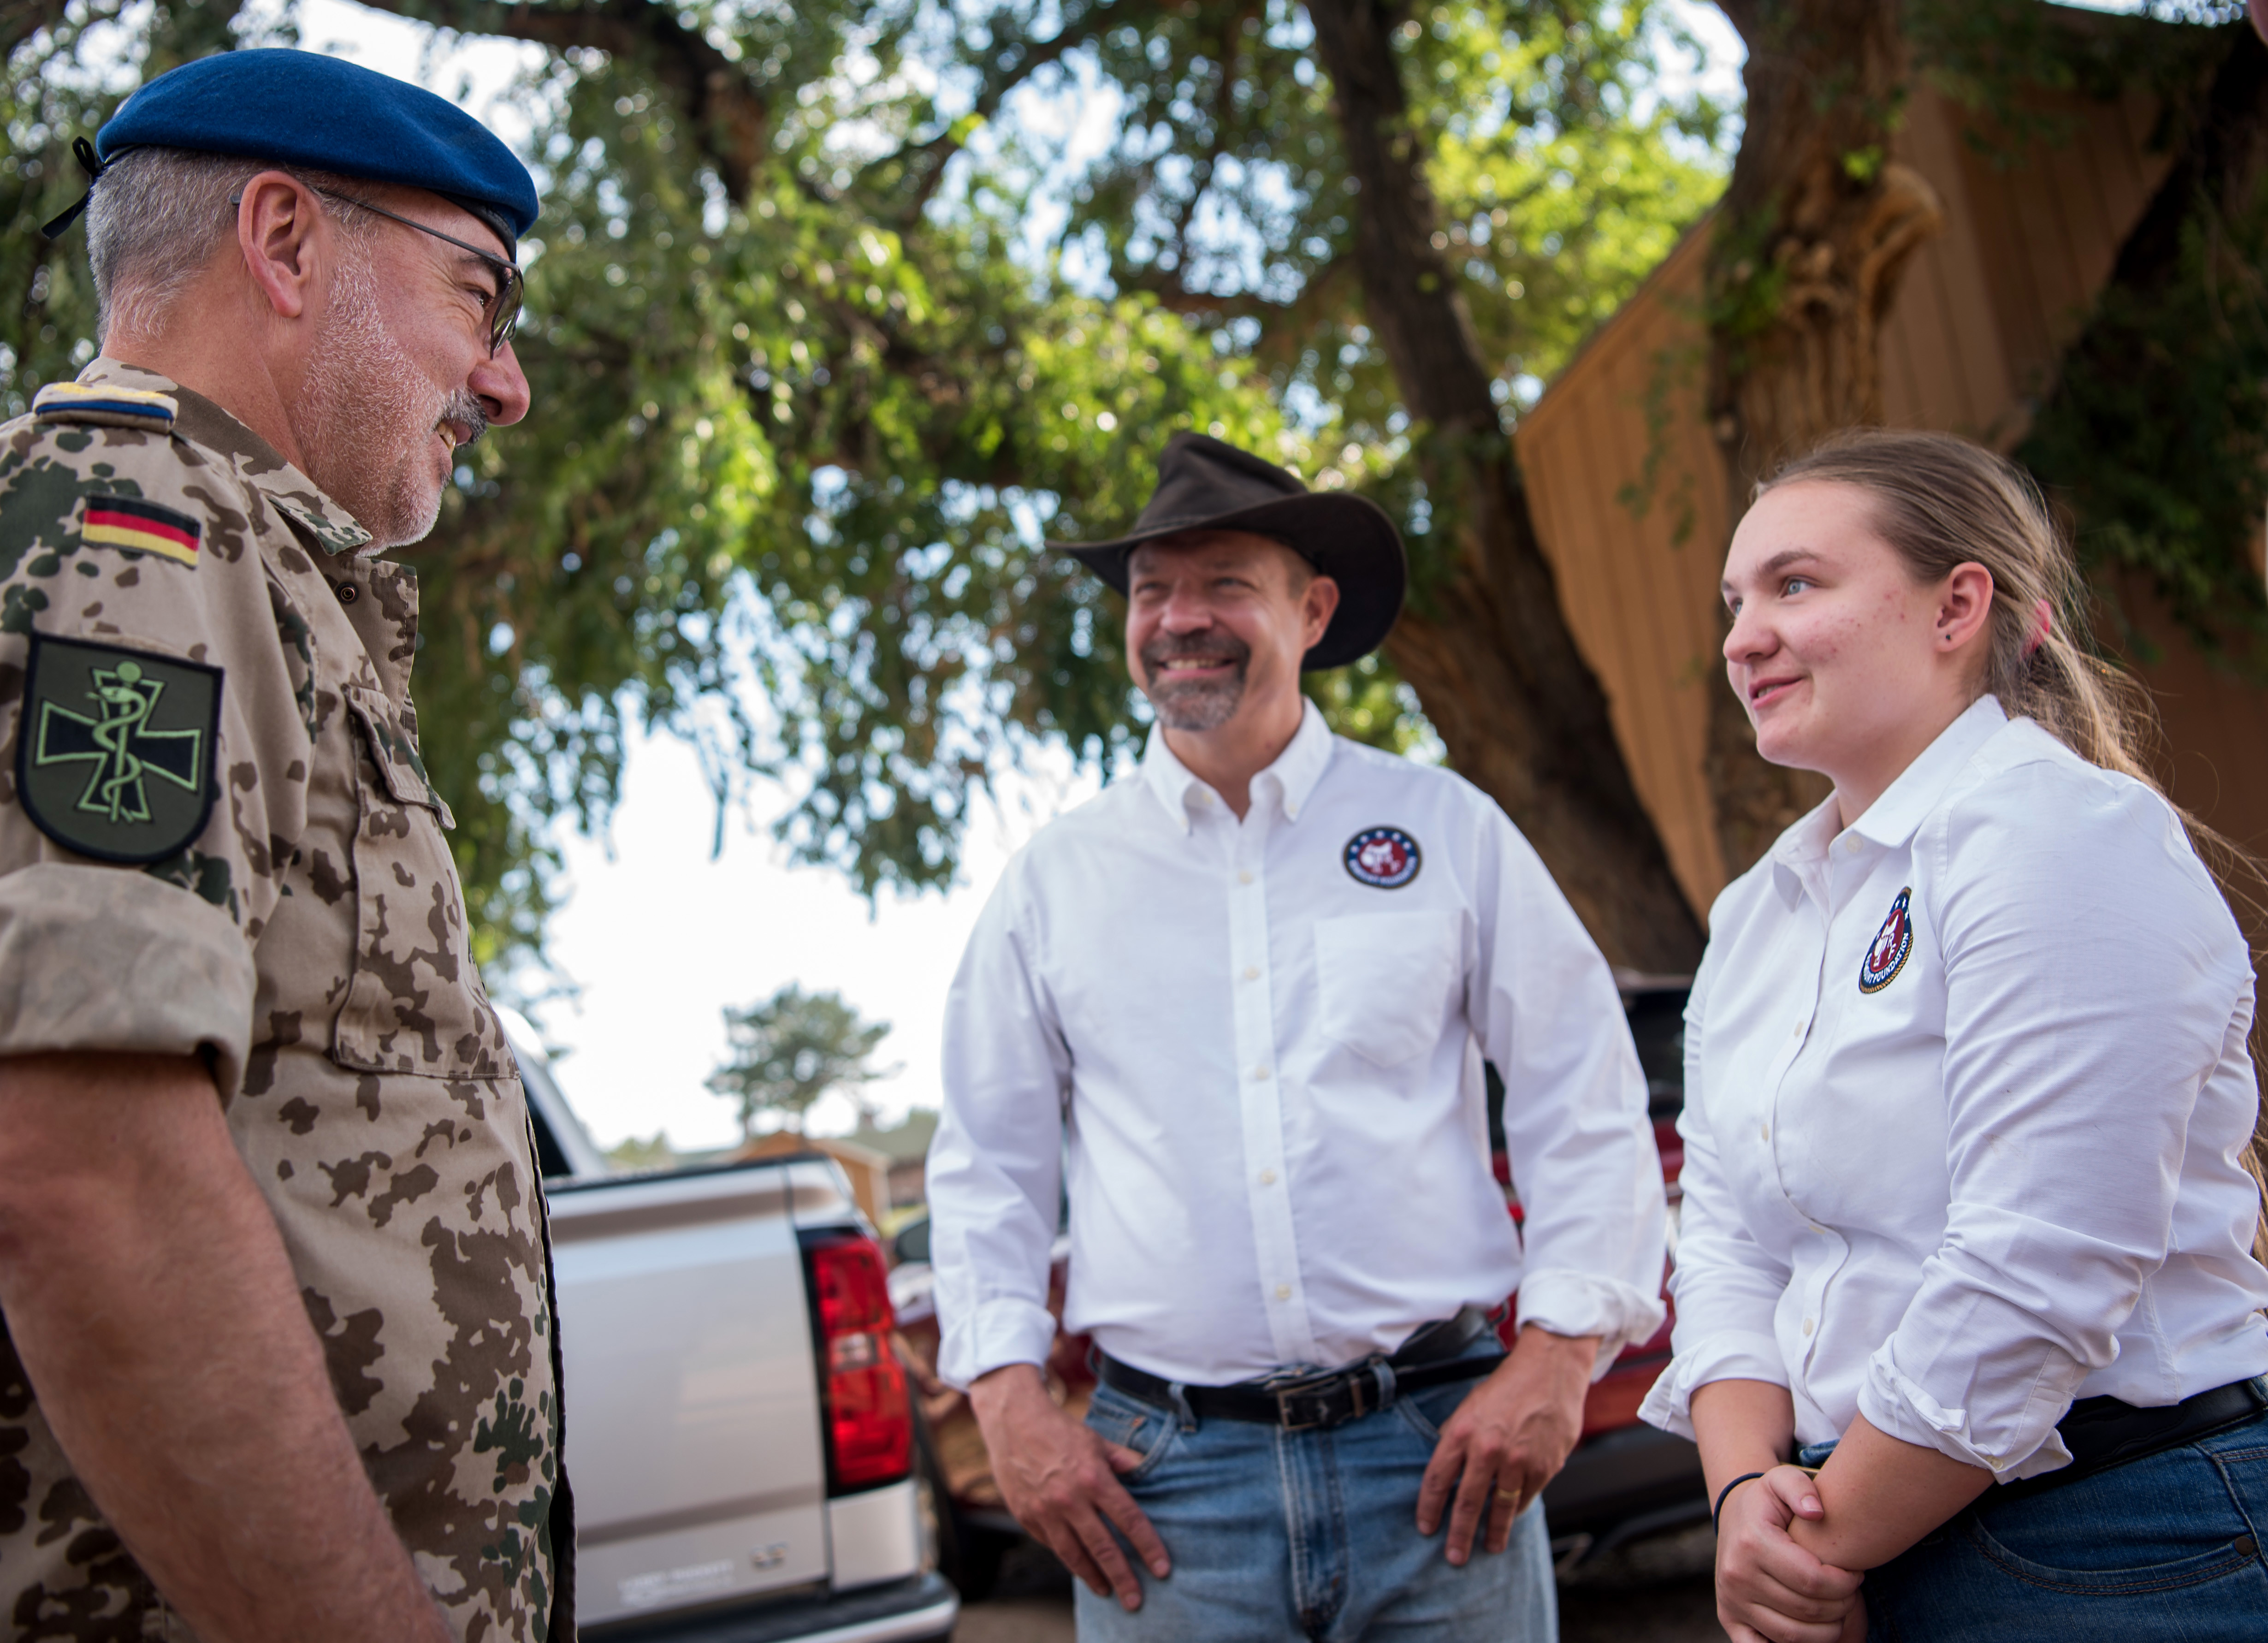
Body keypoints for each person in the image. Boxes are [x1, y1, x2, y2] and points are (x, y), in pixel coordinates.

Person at [0, 49, 570, 1643]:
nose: (505, 382)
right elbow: (84, 1165)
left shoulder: (237, 565)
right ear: (285, 243)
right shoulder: (125, 528)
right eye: (480, 297)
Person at [926, 432, 1668, 1641]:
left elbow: (1581, 1091)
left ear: (1313, 609)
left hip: (1440, 1465)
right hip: (1164, 1493)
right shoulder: (1055, 881)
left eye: (1225, 584)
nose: (1179, 618)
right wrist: (1009, 1402)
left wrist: (1559, 1358)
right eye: (1153, 589)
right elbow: (986, 1165)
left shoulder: (1445, 830)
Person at [1640, 428, 2268, 1643]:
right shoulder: (1761, 911)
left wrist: (1813, 1544)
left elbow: (2039, 1265)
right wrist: (1741, 1497)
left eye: (1795, 584)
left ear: (1957, 605)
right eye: (1734, 601)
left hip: (2123, 1540)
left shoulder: (2061, 834)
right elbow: (1722, 1246)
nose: (1741, 638)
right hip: (1863, 1530)